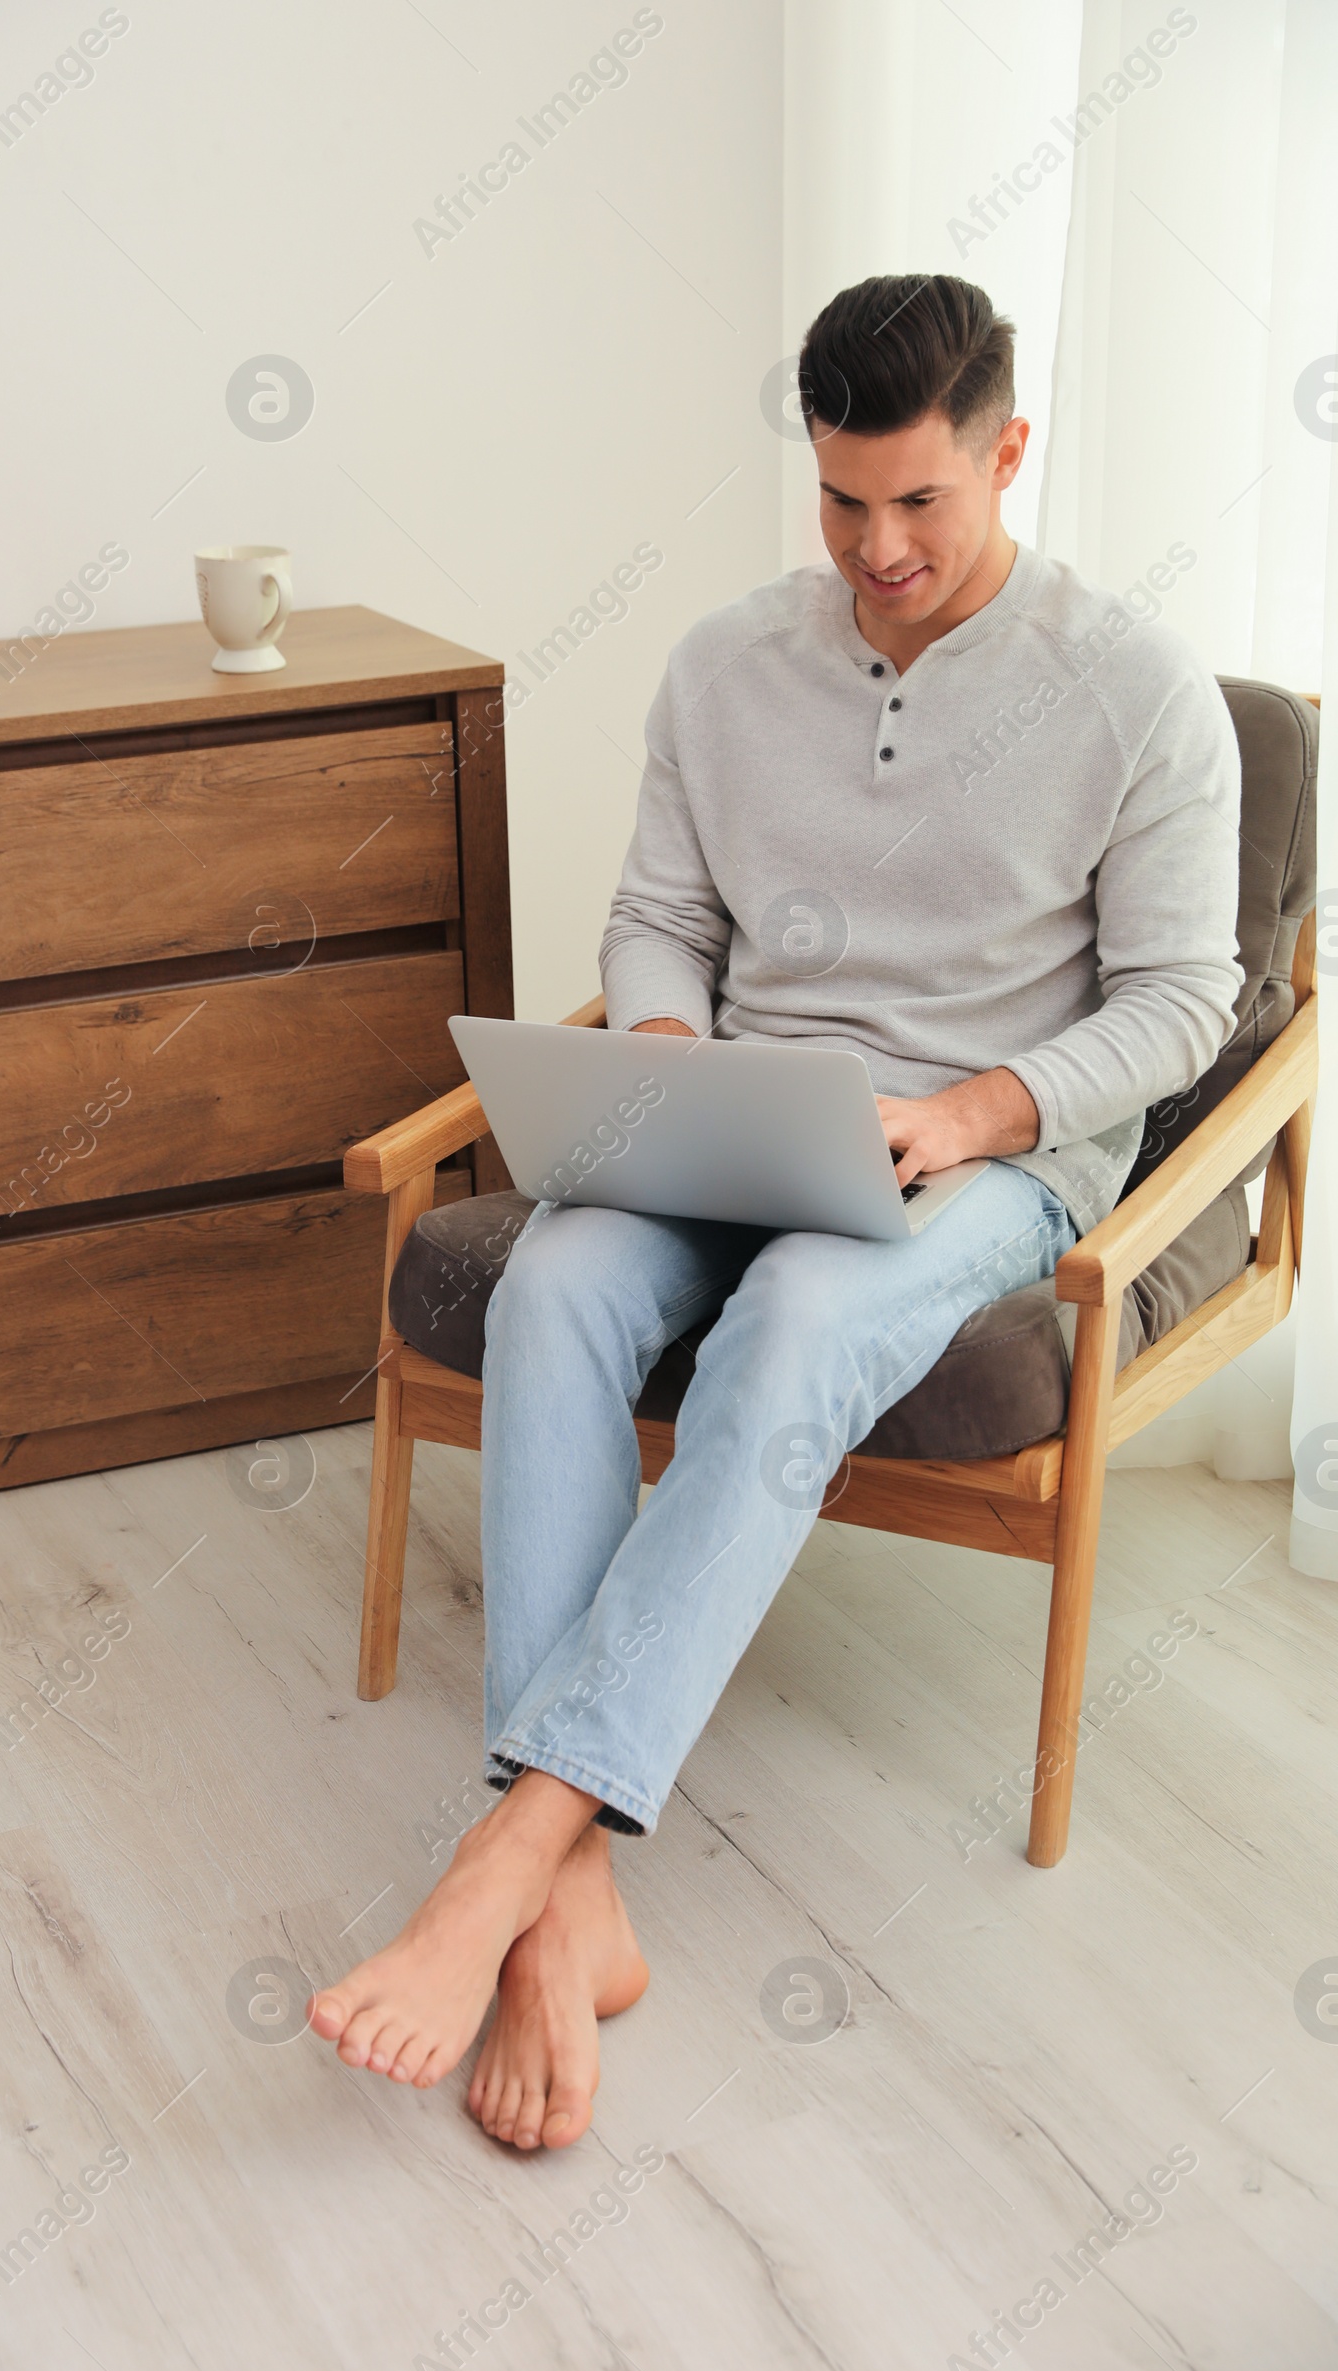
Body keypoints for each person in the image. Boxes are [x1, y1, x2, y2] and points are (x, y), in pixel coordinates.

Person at [308, 273, 1242, 2152]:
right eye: (839, 502)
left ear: (1008, 453)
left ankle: (510, 1863)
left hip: (989, 1153)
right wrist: (665, 1051)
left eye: (921, 502)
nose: (876, 549)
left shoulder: (1138, 692)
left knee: (800, 1322)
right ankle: (573, 1901)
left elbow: (1185, 1001)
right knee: (560, 1276)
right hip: (738, 1113)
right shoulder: (728, 662)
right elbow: (663, 913)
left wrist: (975, 1107)